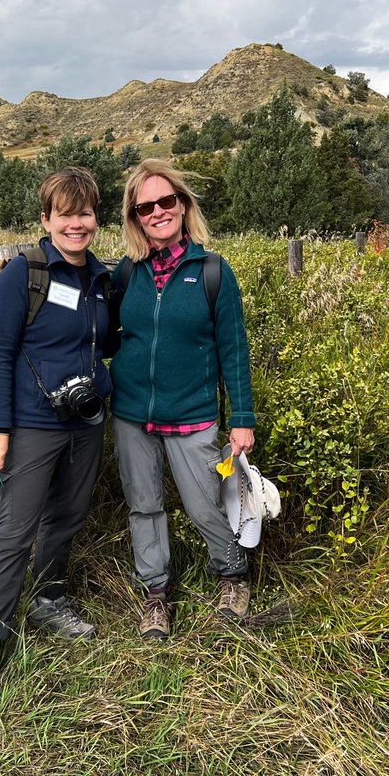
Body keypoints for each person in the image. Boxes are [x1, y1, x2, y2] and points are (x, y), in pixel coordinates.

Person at [0, 167, 112, 710]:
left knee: (66, 519)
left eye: (85, 213)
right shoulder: (23, 275)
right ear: (46, 219)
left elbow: (106, 344)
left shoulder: (101, 279)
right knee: (12, 532)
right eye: (65, 214)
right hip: (29, 426)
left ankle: (49, 600)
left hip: (85, 425)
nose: (77, 224)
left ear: (96, 218)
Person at [110, 158, 256, 640]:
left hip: (192, 414)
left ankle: (232, 574)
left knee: (205, 503)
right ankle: (156, 594)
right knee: (144, 505)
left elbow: (233, 348)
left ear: (182, 204)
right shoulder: (126, 273)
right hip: (131, 413)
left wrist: (242, 418)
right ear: (135, 218)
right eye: (145, 207)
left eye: (165, 201)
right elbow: (108, 335)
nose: (157, 212)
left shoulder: (212, 271)